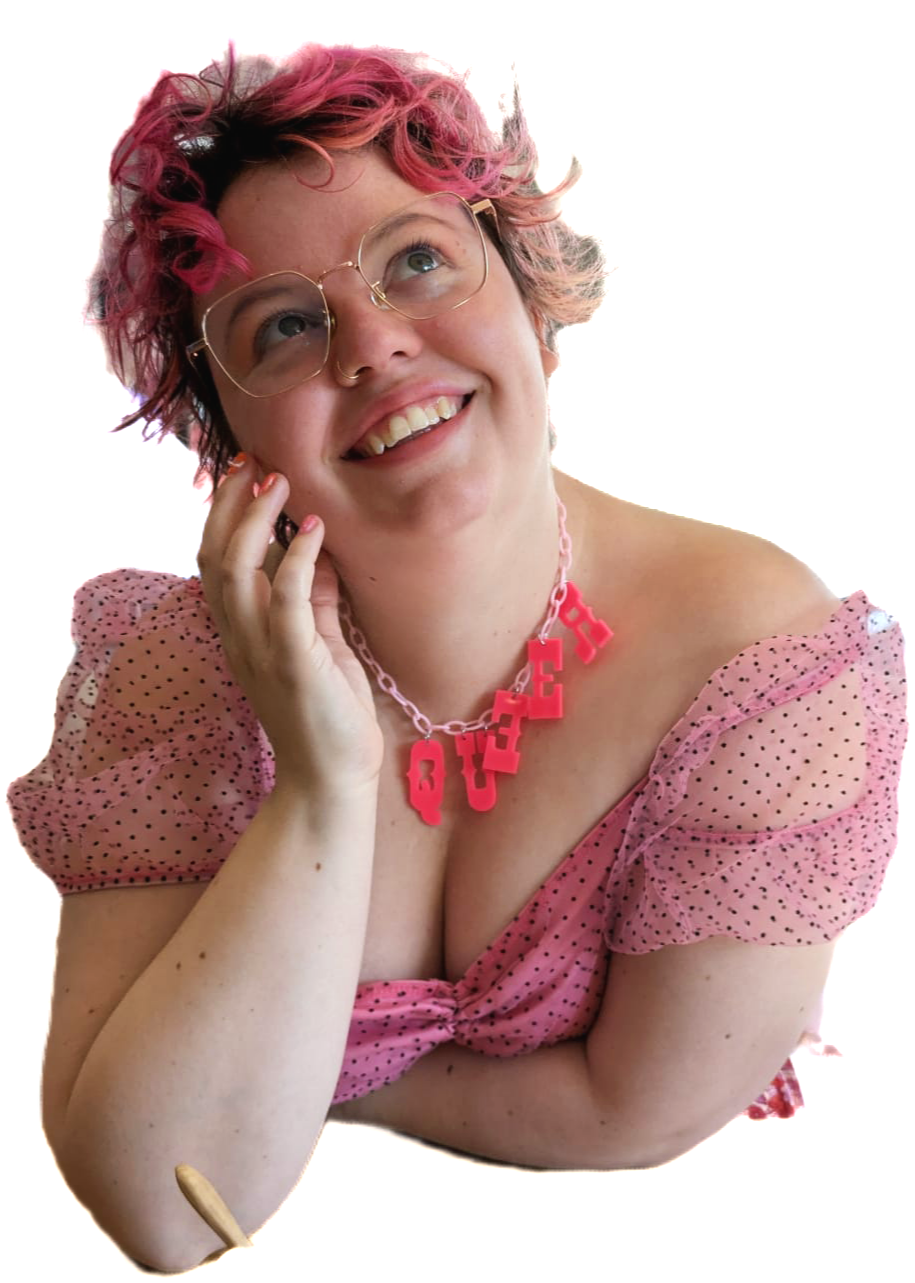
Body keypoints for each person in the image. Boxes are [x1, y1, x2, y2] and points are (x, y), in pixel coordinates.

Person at [7, 39, 907, 1273]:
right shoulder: (176, 673)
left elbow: (639, 1111)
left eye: (418, 260)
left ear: (532, 297)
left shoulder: (758, 660)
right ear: (229, 445)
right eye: (283, 326)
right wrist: (321, 784)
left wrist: (289, 1089)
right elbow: (165, 1208)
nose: (373, 346)